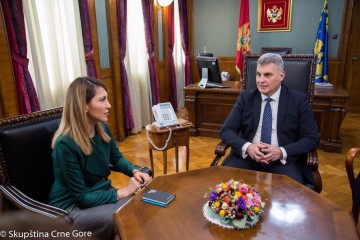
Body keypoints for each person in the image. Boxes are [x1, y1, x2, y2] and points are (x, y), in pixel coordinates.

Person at [48, 77, 152, 240]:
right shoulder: (65, 144)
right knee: (127, 218)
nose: (109, 105)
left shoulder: (102, 128)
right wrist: (123, 191)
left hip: (99, 193)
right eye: (102, 100)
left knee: (138, 210)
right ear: (84, 106)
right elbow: (81, 198)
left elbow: (117, 160)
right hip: (69, 208)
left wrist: (134, 170)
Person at [220, 53, 319, 185]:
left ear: (281, 76)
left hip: (283, 162)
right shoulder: (246, 98)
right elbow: (226, 130)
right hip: (247, 159)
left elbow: (311, 138)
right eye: (258, 74)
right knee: (224, 191)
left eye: (267, 75)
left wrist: (281, 152)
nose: (261, 80)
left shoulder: (298, 100)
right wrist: (248, 147)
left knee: (292, 196)